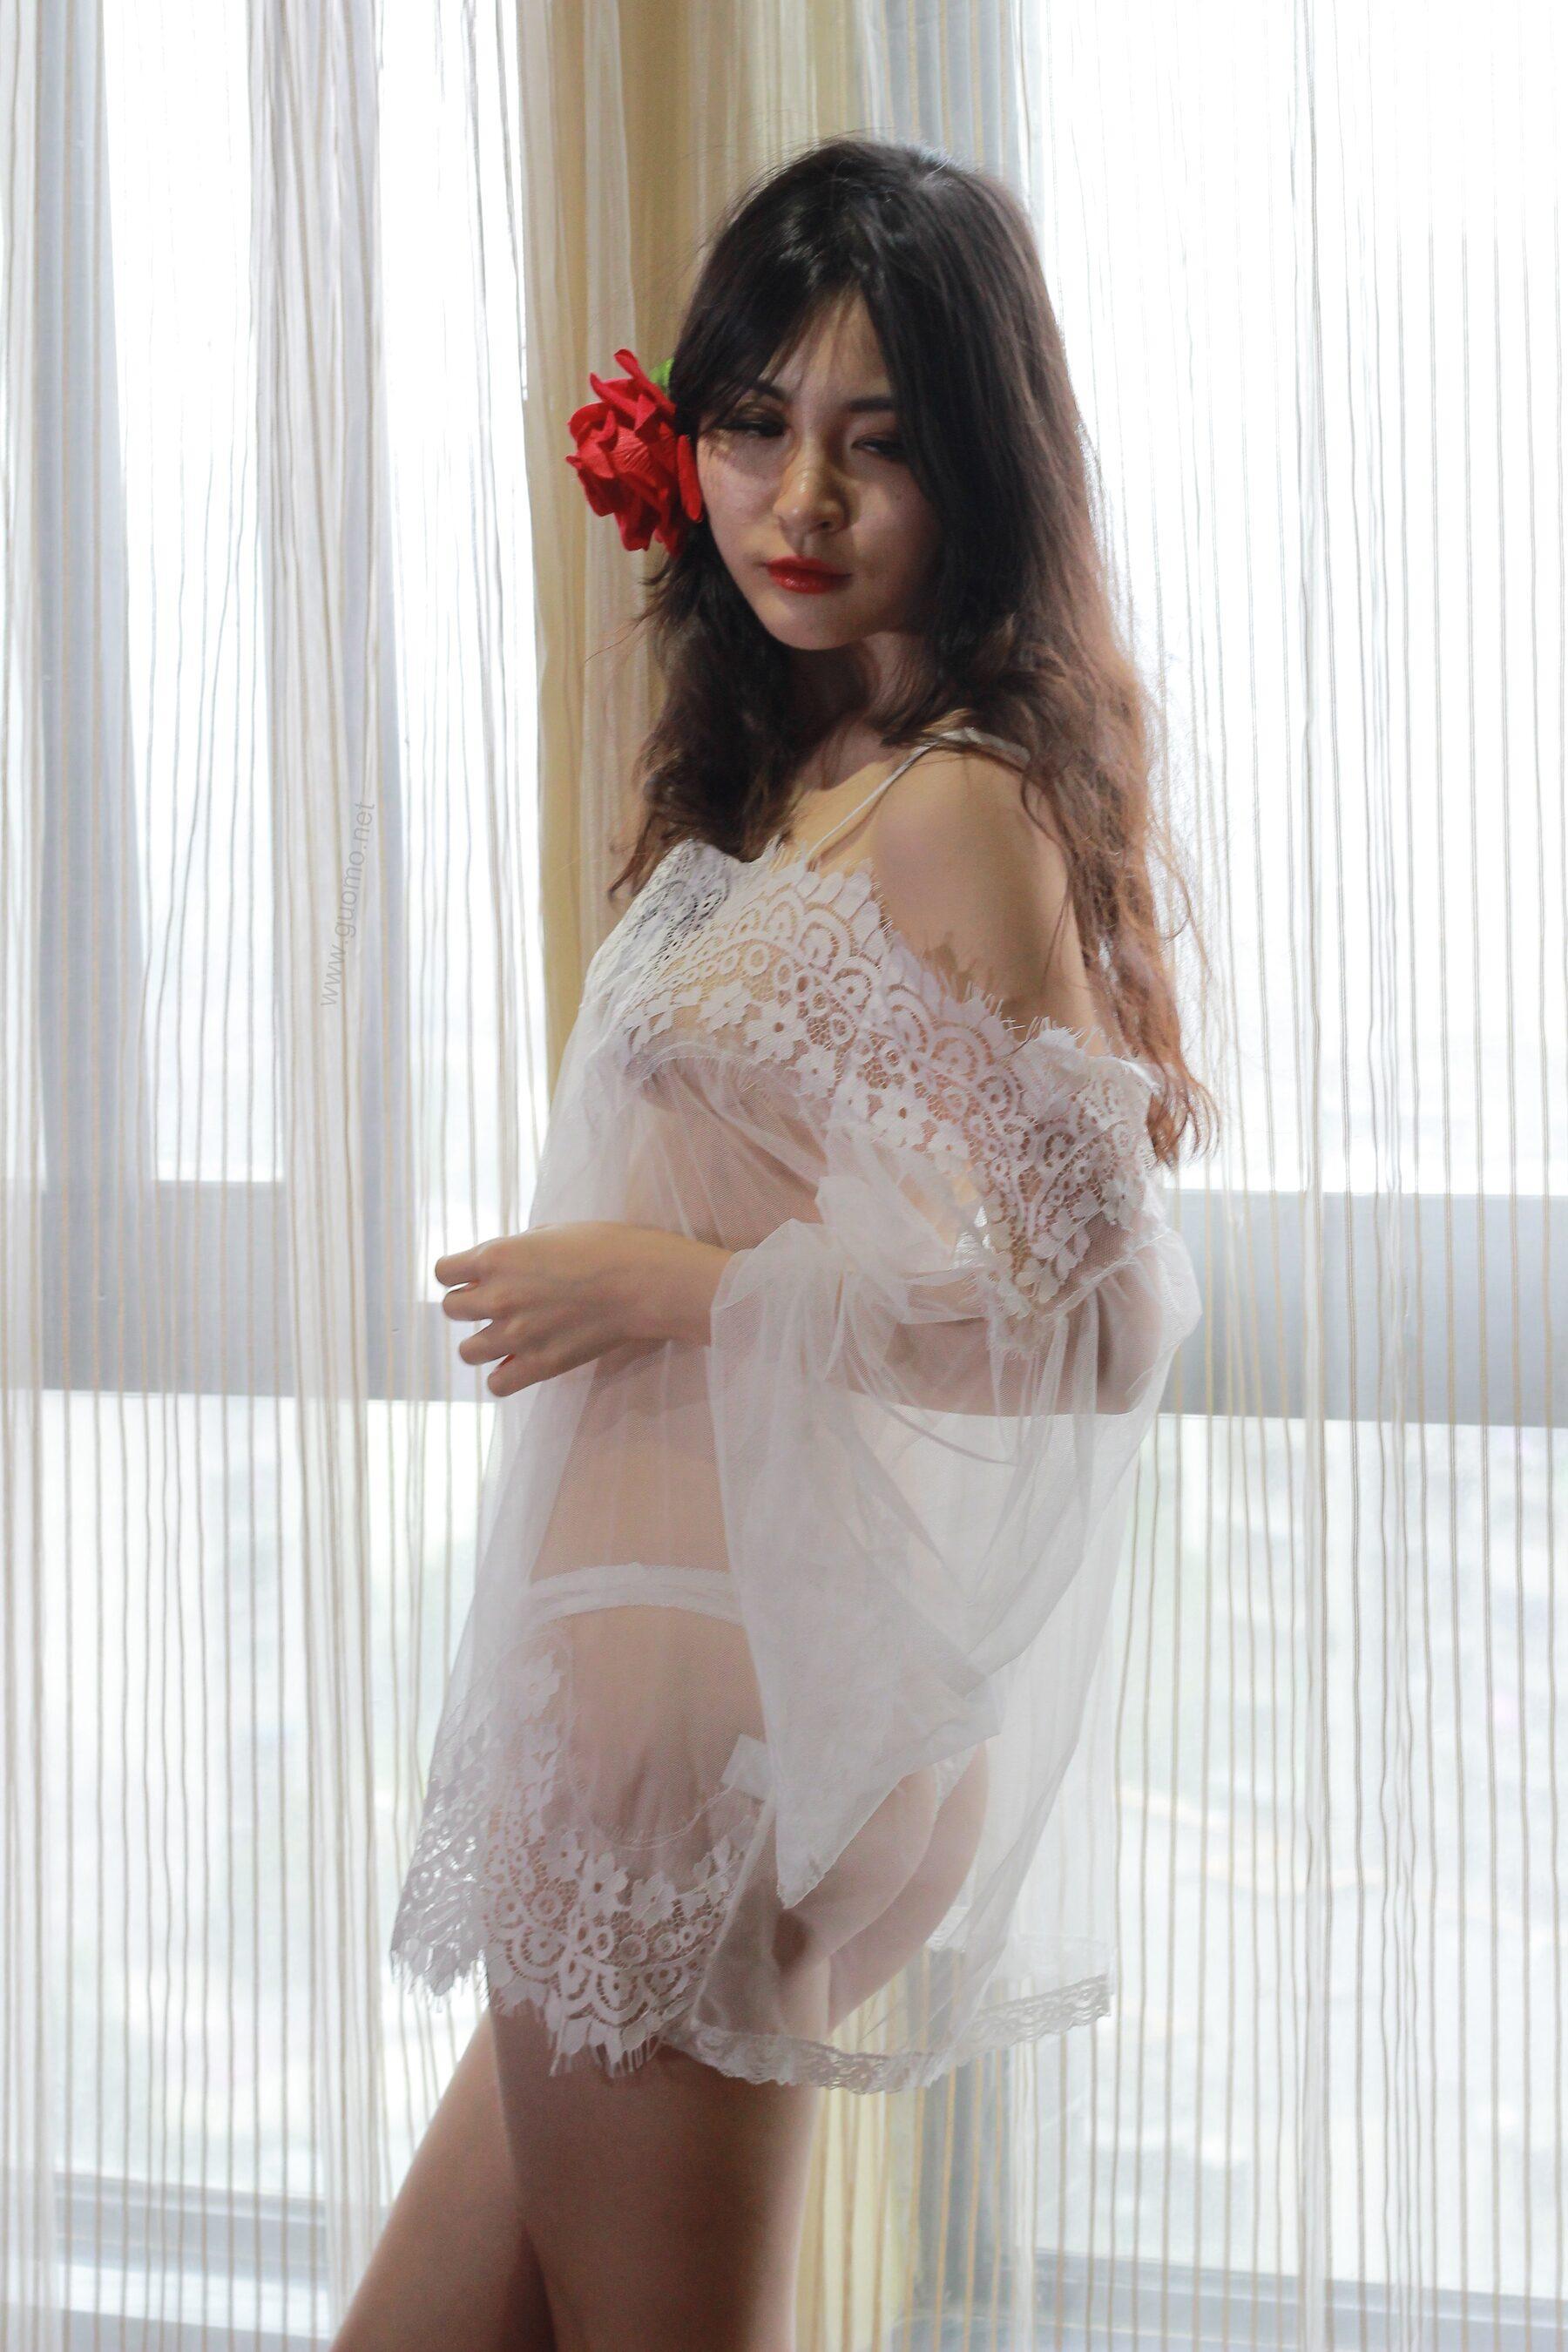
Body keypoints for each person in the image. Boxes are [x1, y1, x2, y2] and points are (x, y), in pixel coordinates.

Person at [335, 134, 1212, 2352]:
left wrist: (678, 1289)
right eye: (755, 426)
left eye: (876, 445)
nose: (798, 500)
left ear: (981, 468)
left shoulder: (954, 801)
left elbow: (1102, 1312)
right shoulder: (818, 776)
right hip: (669, 1718)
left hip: (697, 1750)